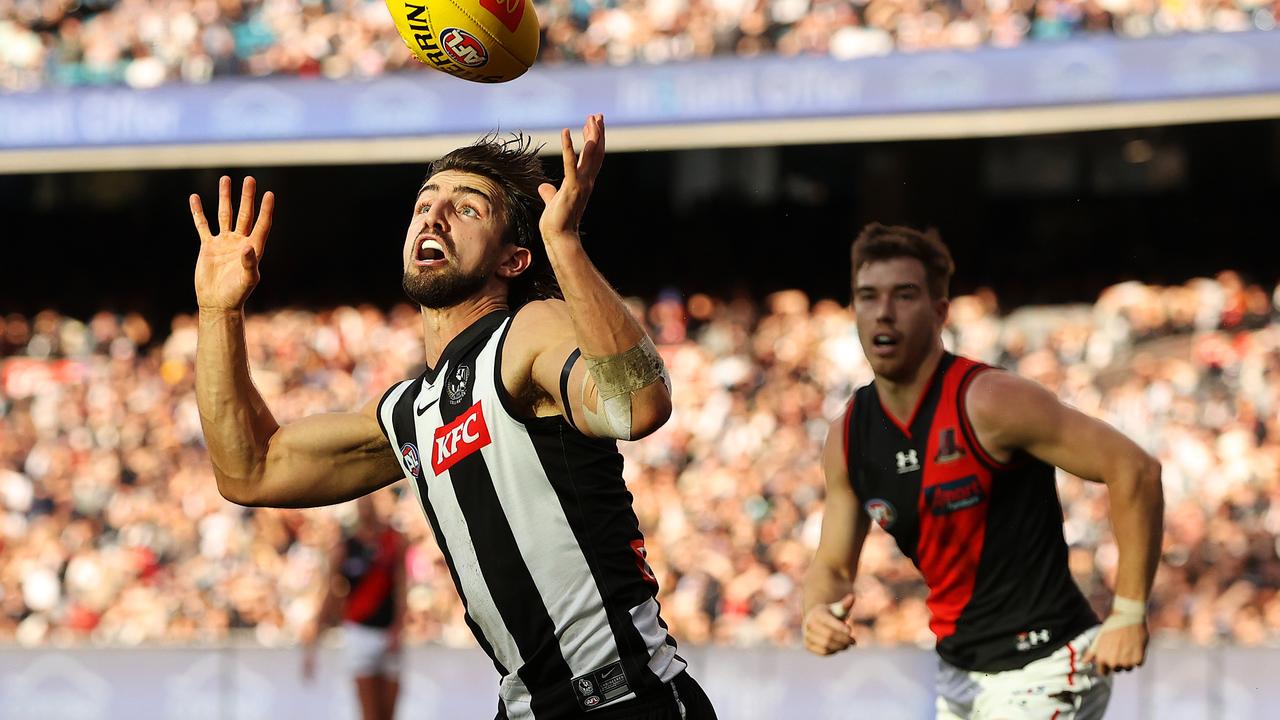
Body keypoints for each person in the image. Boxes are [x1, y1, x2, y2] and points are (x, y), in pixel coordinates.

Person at [189, 114, 716, 719]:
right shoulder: (410, 410)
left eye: (467, 209)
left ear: (514, 259)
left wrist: (564, 245)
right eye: (424, 205)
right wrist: (217, 312)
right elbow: (248, 472)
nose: (433, 218)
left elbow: (639, 405)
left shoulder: (528, 331)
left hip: (624, 701)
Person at [801, 224, 1164, 719]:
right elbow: (834, 566)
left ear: (940, 311)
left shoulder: (991, 399)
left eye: (904, 295)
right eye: (868, 296)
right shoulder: (849, 436)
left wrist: (1128, 611)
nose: (883, 311)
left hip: (1049, 661)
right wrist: (816, 611)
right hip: (959, 675)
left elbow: (1134, 469)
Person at [302, 494, 407, 720]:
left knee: (389, 712)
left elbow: (401, 587)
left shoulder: (392, 541)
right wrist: (314, 642)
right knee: (370, 712)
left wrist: (399, 627)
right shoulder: (346, 548)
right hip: (360, 632)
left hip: (387, 631)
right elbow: (329, 593)